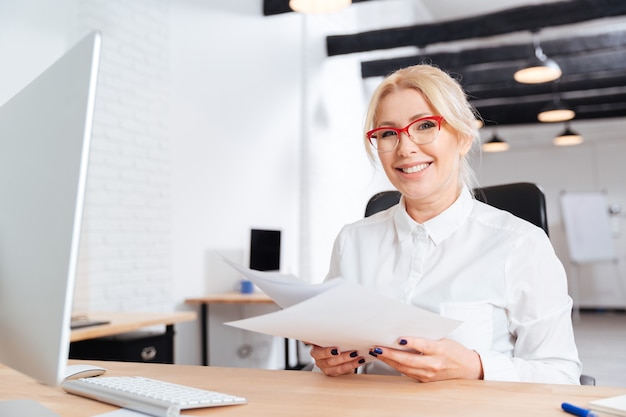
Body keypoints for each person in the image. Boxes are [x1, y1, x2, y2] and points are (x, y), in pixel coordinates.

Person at [309, 64, 582, 384]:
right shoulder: (352, 241)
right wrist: (332, 363)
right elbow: (329, 358)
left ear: (464, 137)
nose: (405, 147)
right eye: (387, 133)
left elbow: (561, 375)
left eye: (424, 125)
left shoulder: (520, 244)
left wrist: (475, 367)